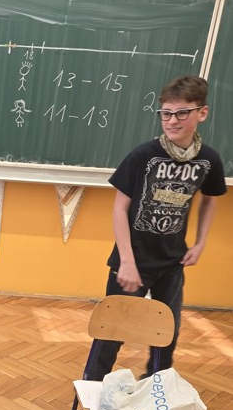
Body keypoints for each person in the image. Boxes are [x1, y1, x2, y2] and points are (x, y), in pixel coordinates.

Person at [87, 75, 227, 381]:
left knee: (167, 333)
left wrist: (200, 243)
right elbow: (119, 208)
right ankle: (91, 387)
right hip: (132, 261)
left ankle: (155, 389)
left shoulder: (208, 160)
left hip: (172, 263)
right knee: (112, 332)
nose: (172, 121)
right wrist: (126, 261)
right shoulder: (143, 154)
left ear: (202, 113)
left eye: (182, 113)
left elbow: (210, 200)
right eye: (166, 113)